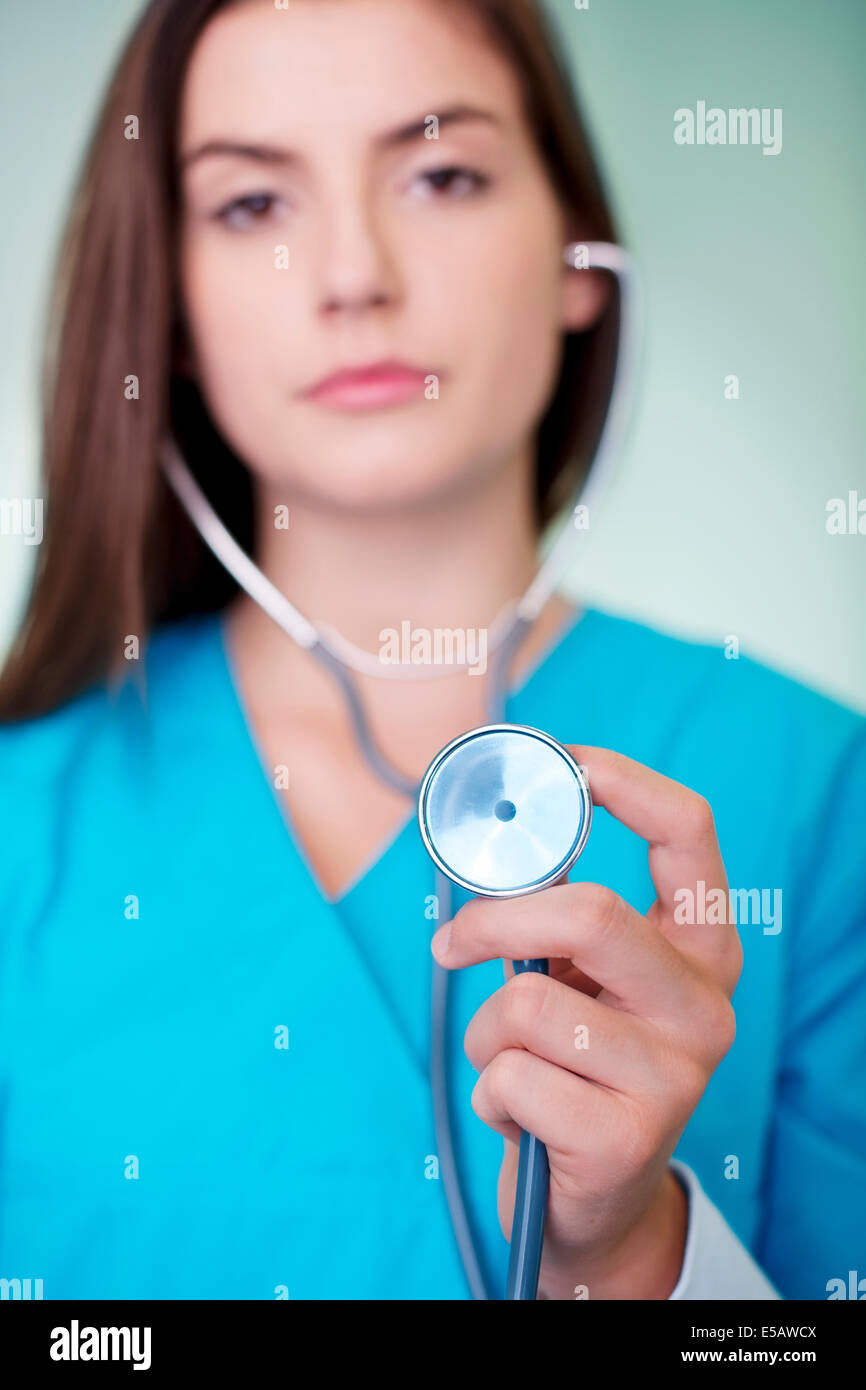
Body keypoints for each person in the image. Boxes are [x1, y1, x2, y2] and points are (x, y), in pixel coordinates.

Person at [0, 0, 862, 1302]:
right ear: (169, 306)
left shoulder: (813, 788)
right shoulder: (24, 811)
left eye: (441, 172)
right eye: (251, 206)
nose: (354, 272)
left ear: (581, 255)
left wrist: (629, 1258)